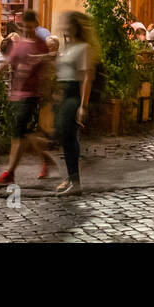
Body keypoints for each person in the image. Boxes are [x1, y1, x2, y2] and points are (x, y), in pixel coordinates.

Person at [0, 10, 57, 185]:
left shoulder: (41, 45)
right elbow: (6, 64)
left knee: (19, 134)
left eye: (31, 27)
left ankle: (10, 172)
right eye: (25, 27)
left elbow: (47, 69)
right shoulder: (20, 44)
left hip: (31, 95)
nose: (28, 31)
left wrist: (47, 93)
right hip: (17, 94)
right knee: (25, 133)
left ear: (36, 26)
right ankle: (46, 159)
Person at [53, 11, 97, 196]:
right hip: (63, 92)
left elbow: (86, 76)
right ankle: (72, 177)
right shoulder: (70, 46)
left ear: (75, 27)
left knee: (67, 135)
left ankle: (75, 180)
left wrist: (83, 105)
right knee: (65, 135)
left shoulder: (84, 48)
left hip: (73, 94)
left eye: (68, 24)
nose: (64, 27)